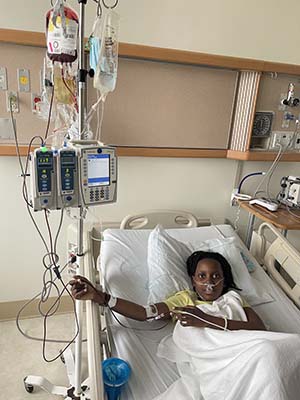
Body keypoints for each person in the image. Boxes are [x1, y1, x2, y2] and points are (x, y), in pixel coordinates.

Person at [70, 250, 266, 331]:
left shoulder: (233, 298)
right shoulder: (184, 301)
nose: (209, 282)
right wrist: (101, 296)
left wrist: (205, 320)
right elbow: (144, 313)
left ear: (224, 281)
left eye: (215, 276)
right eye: (202, 276)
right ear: (193, 281)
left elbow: (259, 328)